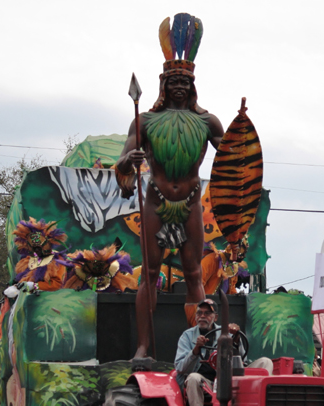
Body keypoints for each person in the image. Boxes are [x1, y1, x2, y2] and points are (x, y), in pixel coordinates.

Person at [116, 13, 225, 358]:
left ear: (193, 87)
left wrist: (242, 142)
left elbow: (232, 154)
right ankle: (143, 348)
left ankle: (200, 348)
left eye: (185, 83)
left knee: (195, 273)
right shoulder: (145, 120)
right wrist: (129, 162)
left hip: (191, 202)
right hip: (156, 202)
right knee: (149, 274)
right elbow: (122, 161)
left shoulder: (207, 121)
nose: (179, 87)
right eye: (173, 82)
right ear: (163, 86)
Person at [175, 299, 271, 406]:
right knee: (193, 378)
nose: (202, 316)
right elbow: (180, 368)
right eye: (199, 313)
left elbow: (243, 360)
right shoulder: (187, 336)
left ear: (215, 318)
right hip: (206, 381)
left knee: (265, 362)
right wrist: (195, 350)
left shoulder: (226, 332)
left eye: (207, 313)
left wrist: (236, 338)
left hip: (230, 378)